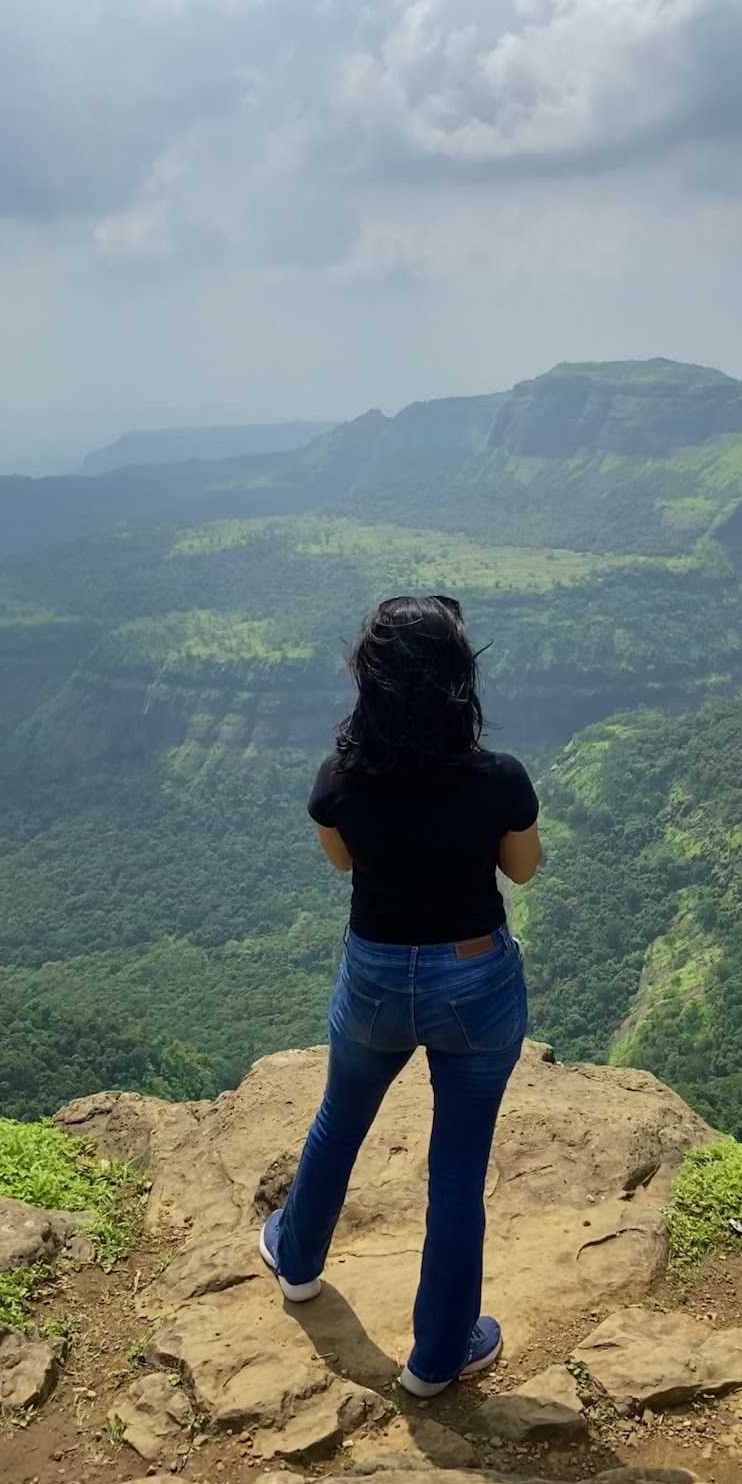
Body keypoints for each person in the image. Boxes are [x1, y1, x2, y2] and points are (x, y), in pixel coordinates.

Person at [258, 594, 543, 1397]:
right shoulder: (499, 780)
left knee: (339, 1118)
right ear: (459, 682)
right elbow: (521, 869)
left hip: (377, 976)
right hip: (476, 981)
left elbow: (344, 864)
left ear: (371, 684)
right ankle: (438, 1357)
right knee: (457, 1173)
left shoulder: (339, 778)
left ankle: (300, 1261)